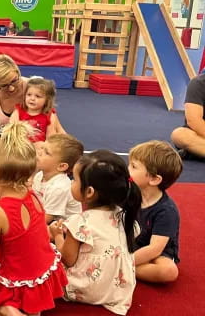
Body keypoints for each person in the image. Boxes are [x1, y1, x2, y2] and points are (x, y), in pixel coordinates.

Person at [0, 122, 68, 316]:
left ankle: (9, 310)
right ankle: (30, 306)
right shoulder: (33, 195)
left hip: (19, 278)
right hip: (42, 276)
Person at [49, 150, 141, 315]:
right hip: (117, 289)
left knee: (43, 256)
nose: (71, 183)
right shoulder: (124, 215)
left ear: (89, 192)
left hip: (85, 288)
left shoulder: (80, 222)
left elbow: (68, 260)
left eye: (74, 180)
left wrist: (56, 236)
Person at [129, 140, 183, 283]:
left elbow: (154, 249)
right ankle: (123, 266)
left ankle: (122, 268)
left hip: (157, 254)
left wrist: (123, 261)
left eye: (133, 167)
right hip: (130, 244)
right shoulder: (129, 194)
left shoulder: (166, 211)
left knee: (168, 271)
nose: (128, 170)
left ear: (154, 179)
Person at [0, 54, 67, 131]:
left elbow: (57, 127)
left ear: (18, 72)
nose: (11, 88)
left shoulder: (35, 89)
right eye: (4, 86)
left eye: (14, 81)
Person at [32, 134, 84, 224]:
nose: (39, 152)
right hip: (48, 216)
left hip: (67, 226)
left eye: (46, 152)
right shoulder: (39, 175)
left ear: (61, 166)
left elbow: (46, 219)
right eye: (42, 148)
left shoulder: (59, 187)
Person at [10, 76, 64, 142]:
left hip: (41, 149)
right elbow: (12, 132)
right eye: (29, 95)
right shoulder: (18, 111)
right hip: (21, 147)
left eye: (37, 96)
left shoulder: (49, 116)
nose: (32, 99)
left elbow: (50, 139)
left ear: (47, 100)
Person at [170, 72, 205, 159]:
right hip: (201, 134)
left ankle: (196, 151)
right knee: (179, 135)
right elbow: (194, 121)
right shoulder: (198, 84)